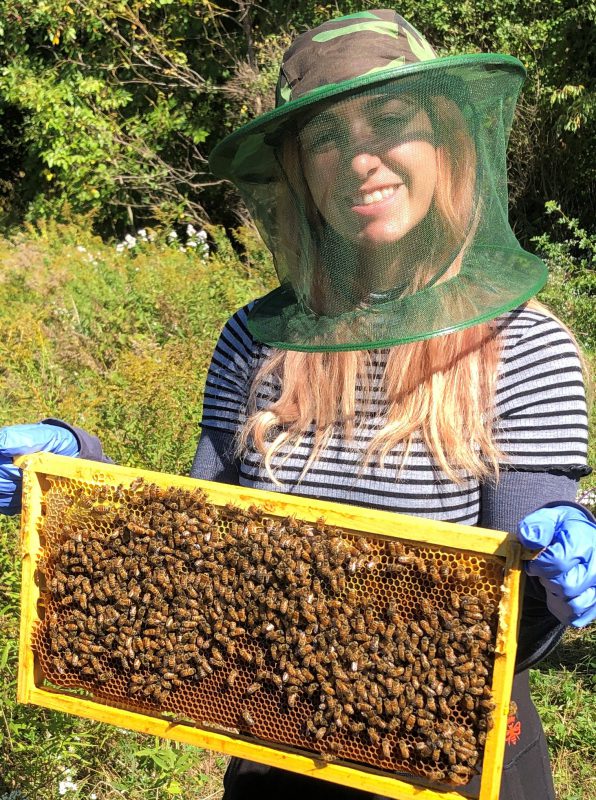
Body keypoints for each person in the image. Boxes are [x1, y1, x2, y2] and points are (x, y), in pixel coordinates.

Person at [0, 9, 594, 800]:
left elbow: (531, 553)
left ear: (449, 140)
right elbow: (199, 544)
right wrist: (78, 480)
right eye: (323, 138)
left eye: (391, 119)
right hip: (274, 747)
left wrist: (564, 561)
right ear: (297, 174)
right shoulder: (255, 338)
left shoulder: (523, 343)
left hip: (451, 758)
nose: (360, 160)